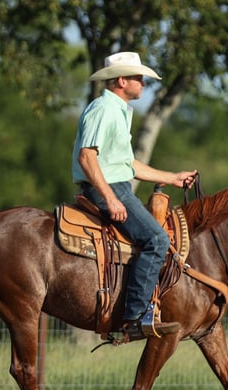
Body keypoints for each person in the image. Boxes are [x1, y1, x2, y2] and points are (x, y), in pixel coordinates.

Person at [71, 51, 197, 343]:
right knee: (157, 240)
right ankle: (137, 316)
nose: (143, 83)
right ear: (122, 80)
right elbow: (87, 157)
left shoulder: (118, 110)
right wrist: (110, 198)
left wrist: (172, 178)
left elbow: (128, 165)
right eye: (139, 78)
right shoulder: (103, 109)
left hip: (117, 185)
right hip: (109, 189)